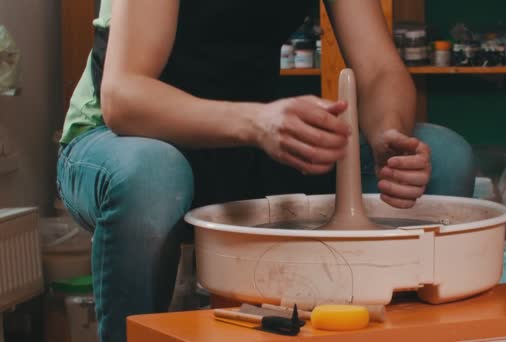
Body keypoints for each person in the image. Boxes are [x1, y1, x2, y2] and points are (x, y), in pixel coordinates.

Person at [56, 0, 475, 341]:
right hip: (124, 145)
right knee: (154, 174)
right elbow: (124, 98)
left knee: (446, 156)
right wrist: (259, 122)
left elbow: (380, 68)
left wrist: (389, 136)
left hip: (243, 144)